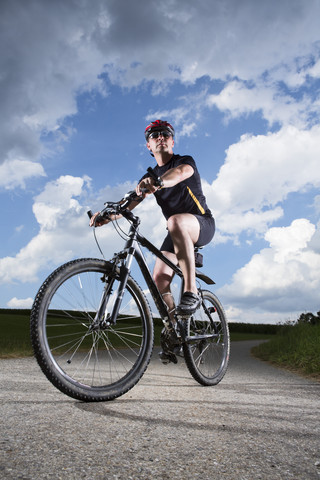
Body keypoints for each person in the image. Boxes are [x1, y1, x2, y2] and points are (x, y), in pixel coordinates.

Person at [90, 119, 215, 320]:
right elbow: (128, 203)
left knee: (174, 221)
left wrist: (159, 182)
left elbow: (181, 173)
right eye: (154, 135)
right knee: (159, 278)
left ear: (172, 141)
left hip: (202, 224)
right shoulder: (149, 175)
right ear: (149, 145)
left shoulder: (184, 161)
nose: (160, 138)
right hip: (176, 231)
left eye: (165, 134)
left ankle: (190, 291)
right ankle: (176, 327)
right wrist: (106, 216)